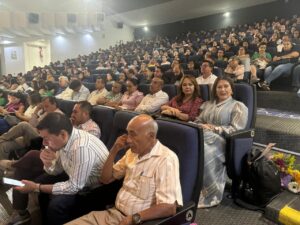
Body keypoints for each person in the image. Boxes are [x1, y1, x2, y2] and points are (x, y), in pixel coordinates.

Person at [66, 114, 183, 225]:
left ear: (151, 136)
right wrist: (114, 150)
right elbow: (105, 179)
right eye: (128, 134)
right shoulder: (131, 153)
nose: (128, 140)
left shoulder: (166, 159)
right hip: (114, 214)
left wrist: (134, 218)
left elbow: (169, 207)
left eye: (133, 134)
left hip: (138, 221)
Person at [8, 113, 109, 225]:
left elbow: (74, 187)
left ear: (62, 134)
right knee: (41, 182)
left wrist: (37, 187)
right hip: (74, 175)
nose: (43, 143)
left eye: (46, 138)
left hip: (93, 187)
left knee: (56, 205)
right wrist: (47, 163)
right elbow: (57, 170)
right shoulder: (65, 141)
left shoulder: (81, 148)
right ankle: (42, 218)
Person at [194, 76, 248, 208]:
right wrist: (202, 126)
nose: (222, 89)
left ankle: (206, 193)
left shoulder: (238, 106)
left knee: (203, 151)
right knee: (189, 144)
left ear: (232, 90)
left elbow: (236, 129)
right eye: (219, 87)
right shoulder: (208, 104)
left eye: (226, 86)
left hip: (223, 141)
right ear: (215, 90)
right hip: (203, 135)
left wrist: (214, 128)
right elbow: (198, 121)